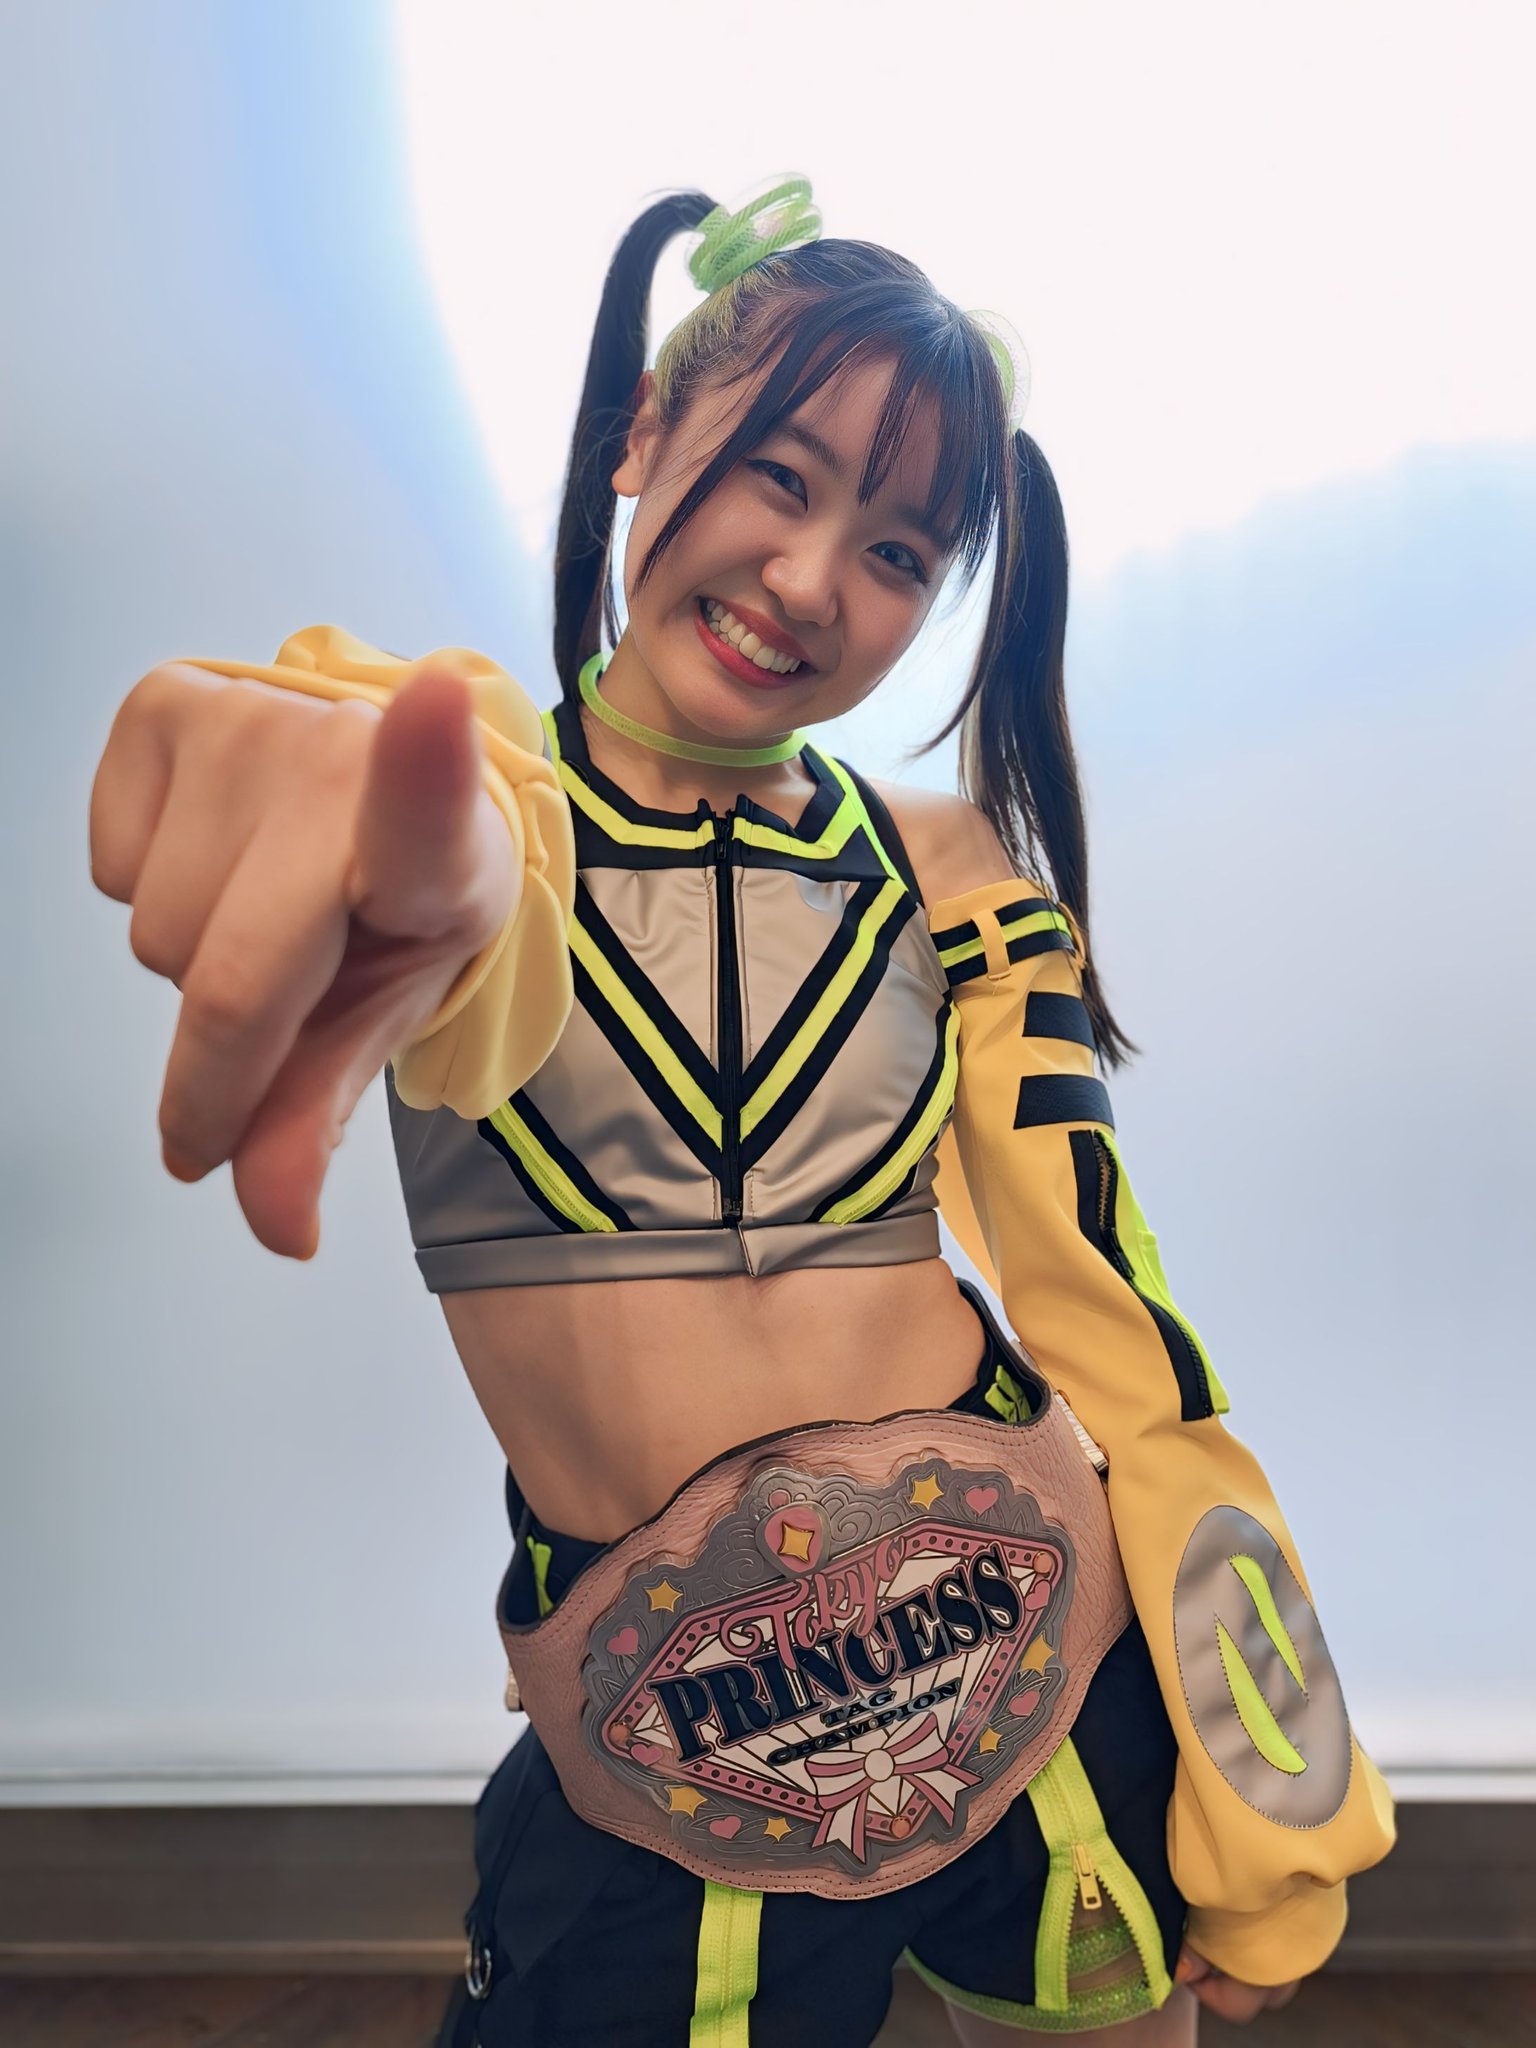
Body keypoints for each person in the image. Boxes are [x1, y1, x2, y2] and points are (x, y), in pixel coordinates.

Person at [89, 176, 1395, 2045]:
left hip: (1050, 1691)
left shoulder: (953, 870)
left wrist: (1278, 1797)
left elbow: (1123, 1334)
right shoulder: (483, 822)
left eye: (897, 549)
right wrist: (335, 787)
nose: (806, 581)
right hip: (663, 1769)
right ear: (643, 434)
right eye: (781, 475)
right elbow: (451, 839)